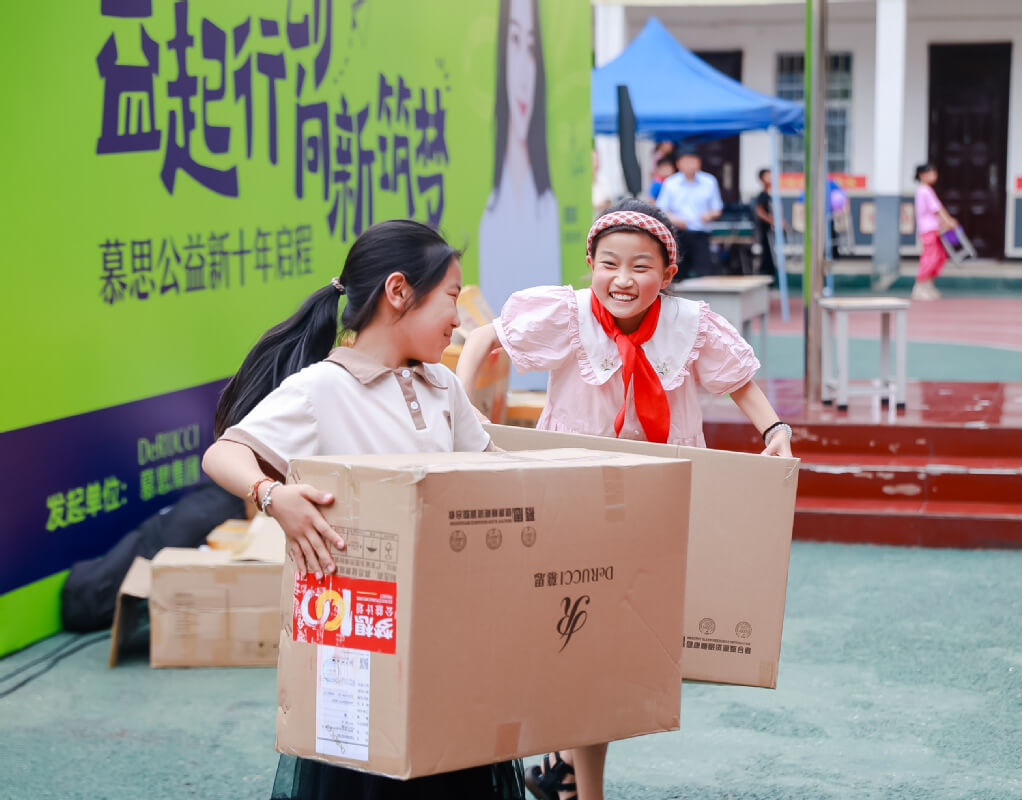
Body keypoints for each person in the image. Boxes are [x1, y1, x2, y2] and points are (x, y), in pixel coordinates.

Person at [455, 198, 795, 800]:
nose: (623, 279)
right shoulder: (566, 314)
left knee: (605, 649)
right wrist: (460, 405)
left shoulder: (690, 324)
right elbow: (484, 337)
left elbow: (739, 382)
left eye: (641, 266)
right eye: (609, 263)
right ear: (591, 263)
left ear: (668, 273)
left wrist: (775, 430)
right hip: (570, 493)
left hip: (650, 500)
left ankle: (563, 766)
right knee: (577, 642)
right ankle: (575, 780)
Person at [201, 220, 525, 800]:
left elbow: (493, 470)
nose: (458, 318)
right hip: (360, 641)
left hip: (451, 631)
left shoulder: (442, 386)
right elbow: (224, 454)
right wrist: (273, 497)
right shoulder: (321, 389)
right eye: (451, 297)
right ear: (398, 292)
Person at [478, 0, 561, 317]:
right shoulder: (489, 210)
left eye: (531, 47)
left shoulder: (547, 205)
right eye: (514, 40)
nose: (524, 73)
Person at [656, 145, 723, 279]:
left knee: (703, 273)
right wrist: (676, 220)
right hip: (678, 234)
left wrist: (709, 215)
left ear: (699, 162)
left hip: (700, 233)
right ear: (678, 163)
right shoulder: (671, 183)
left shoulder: (709, 181)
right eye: (686, 161)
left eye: (693, 160)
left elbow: (717, 209)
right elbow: (661, 209)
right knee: (677, 274)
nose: (690, 165)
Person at [912, 163, 958, 300]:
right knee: (930, 257)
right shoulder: (924, 190)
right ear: (922, 175)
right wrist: (948, 220)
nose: (934, 176)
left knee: (939, 256)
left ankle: (928, 284)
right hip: (928, 230)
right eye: (930, 173)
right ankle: (920, 286)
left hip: (934, 229)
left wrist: (944, 223)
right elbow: (937, 209)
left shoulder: (926, 190)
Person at [753, 168, 777, 282]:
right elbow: (759, 211)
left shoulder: (770, 194)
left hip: (770, 230)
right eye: (768, 176)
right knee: (767, 256)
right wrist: (772, 221)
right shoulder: (762, 195)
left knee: (771, 256)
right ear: (762, 179)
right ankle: (766, 279)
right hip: (764, 231)